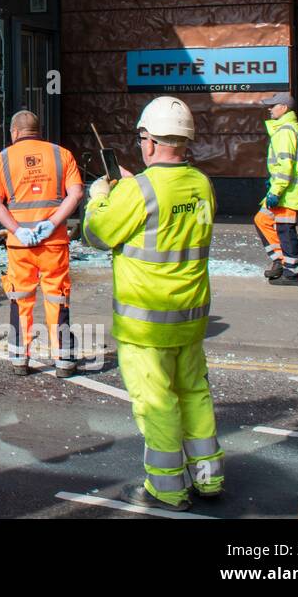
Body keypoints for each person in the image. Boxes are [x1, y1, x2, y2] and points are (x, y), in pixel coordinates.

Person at [83, 96, 222, 512]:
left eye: (141, 136)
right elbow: (169, 215)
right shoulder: (201, 184)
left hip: (145, 324)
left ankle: (166, 488)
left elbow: (96, 234)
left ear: (148, 140)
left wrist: (100, 195)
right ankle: (208, 478)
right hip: (191, 315)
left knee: (157, 403)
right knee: (194, 393)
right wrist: (132, 186)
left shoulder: (138, 191)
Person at [0, 110, 84, 376]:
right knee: (57, 297)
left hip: (20, 245)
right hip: (54, 242)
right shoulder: (62, 155)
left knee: (20, 298)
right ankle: (63, 359)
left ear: (14, 132)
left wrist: (17, 228)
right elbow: (76, 193)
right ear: (38, 131)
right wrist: (52, 223)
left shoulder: (0, 160)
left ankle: (20, 359)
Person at [253, 91, 298, 286]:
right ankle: (281, 260)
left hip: (288, 193)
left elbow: (286, 166)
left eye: (273, 105)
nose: (269, 109)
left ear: (284, 108)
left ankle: (292, 270)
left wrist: (276, 191)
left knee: (285, 229)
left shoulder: (286, 131)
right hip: (287, 189)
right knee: (262, 220)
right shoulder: (288, 128)